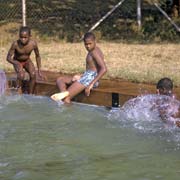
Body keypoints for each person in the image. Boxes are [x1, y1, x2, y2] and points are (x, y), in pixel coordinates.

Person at [51, 32, 107, 103]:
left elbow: (104, 69)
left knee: (66, 99)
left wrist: (91, 84)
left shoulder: (94, 52)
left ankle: (66, 104)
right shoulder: (92, 51)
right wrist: (81, 75)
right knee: (60, 80)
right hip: (86, 76)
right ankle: (64, 93)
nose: (88, 46)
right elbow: (92, 69)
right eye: (86, 44)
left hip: (90, 79)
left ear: (95, 41)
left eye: (90, 44)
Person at [6, 26, 42, 94]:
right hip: (17, 61)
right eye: (21, 37)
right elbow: (8, 58)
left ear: (29, 36)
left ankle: (30, 94)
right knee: (21, 75)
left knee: (33, 74)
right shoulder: (15, 44)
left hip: (27, 61)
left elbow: (37, 56)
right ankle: (17, 92)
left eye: (25, 37)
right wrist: (15, 63)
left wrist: (39, 69)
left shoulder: (33, 44)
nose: (23, 39)